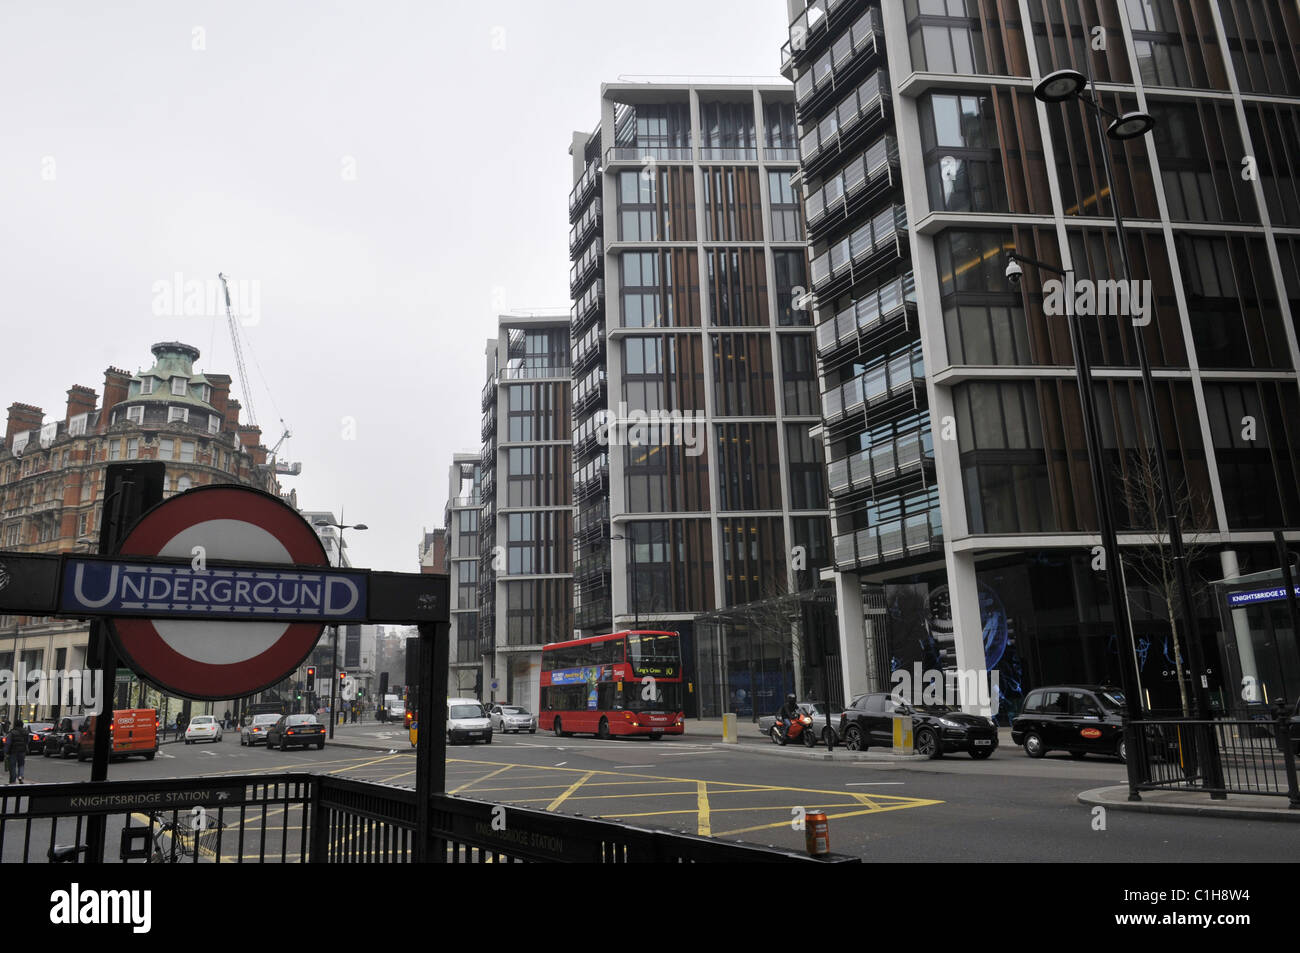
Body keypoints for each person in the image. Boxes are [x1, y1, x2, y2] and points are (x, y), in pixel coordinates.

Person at [5, 719, 29, 784]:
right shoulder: (26, 732)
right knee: (21, 765)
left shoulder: (12, 732)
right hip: (22, 751)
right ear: (22, 725)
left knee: (12, 766)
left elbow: (8, 743)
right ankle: (20, 777)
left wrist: (6, 752)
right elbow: (27, 741)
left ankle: (13, 780)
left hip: (13, 751)